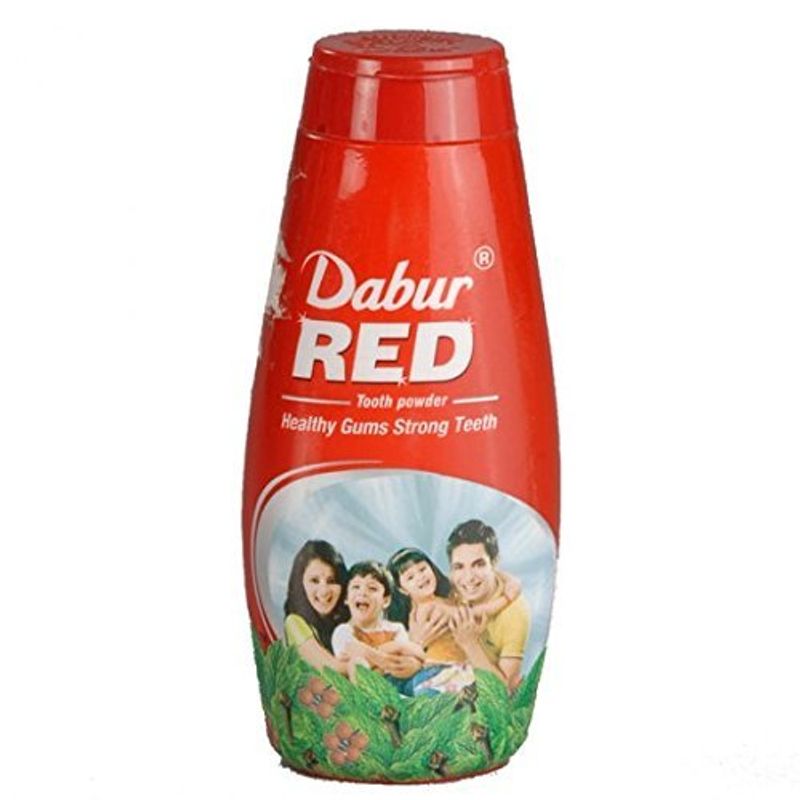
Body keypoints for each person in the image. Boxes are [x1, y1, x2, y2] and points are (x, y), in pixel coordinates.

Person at [387, 547, 523, 694]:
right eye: (410, 577)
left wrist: (502, 577)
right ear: (402, 589)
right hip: (441, 671)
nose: (420, 577)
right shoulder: (429, 608)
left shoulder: (440, 600)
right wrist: (507, 598)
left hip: (451, 667)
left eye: (422, 569)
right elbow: (473, 613)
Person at [446, 520, 530, 690]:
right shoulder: (451, 589)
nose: (468, 577)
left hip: (477, 694)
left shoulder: (514, 613)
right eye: (459, 567)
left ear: (494, 563)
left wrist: (470, 644)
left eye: (479, 564)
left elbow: (504, 691)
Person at [331, 561, 425, 685]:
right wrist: (395, 650)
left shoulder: (396, 628)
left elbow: (414, 657)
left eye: (372, 588)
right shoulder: (343, 631)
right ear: (346, 598)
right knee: (358, 663)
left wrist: (397, 648)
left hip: (401, 685)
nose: (363, 592)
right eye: (356, 587)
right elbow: (357, 668)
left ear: (385, 601)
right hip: (366, 689)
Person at [283, 540, 350, 673]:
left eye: (331, 581)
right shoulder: (294, 623)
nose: (324, 591)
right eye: (314, 580)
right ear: (300, 583)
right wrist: (378, 660)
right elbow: (331, 669)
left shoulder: (344, 624)